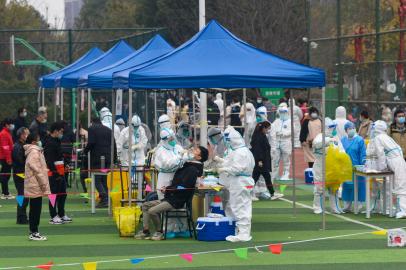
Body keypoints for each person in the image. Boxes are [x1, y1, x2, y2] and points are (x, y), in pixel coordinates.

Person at [135, 146, 208, 240]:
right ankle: (146, 231)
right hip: (171, 197)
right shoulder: (187, 166)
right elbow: (179, 185)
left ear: (199, 157)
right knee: (145, 205)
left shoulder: (192, 170)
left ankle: (159, 232)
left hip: (176, 201)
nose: (192, 150)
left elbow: (183, 187)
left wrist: (168, 189)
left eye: (195, 150)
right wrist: (168, 189)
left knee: (152, 211)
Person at [216, 126, 255, 242]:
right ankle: (243, 231)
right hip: (245, 181)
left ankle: (243, 234)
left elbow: (236, 168)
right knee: (245, 206)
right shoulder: (244, 150)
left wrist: (224, 169)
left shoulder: (239, 152)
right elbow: (232, 162)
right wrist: (223, 163)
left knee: (239, 207)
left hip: (239, 182)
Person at [367, 120, 406, 218]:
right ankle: (400, 209)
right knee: (400, 184)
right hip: (399, 160)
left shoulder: (378, 138)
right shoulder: (386, 137)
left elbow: (381, 154)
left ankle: (403, 210)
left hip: (394, 161)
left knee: (399, 185)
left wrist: (383, 167)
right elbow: (399, 148)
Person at [312, 117, 344, 214]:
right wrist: (326, 141)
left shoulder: (336, 138)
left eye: (334, 127)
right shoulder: (320, 137)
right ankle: (317, 207)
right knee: (319, 187)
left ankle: (335, 207)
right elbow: (316, 144)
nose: (333, 129)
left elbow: (342, 150)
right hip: (320, 166)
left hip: (332, 167)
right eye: (331, 127)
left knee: (334, 188)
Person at [84, 117, 116, 208]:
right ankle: (105, 199)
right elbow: (114, 145)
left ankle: (104, 198)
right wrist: (115, 159)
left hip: (97, 158)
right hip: (108, 158)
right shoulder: (109, 130)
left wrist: (85, 151)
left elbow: (91, 142)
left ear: (92, 122)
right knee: (104, 179)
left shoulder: (92, 129)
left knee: (97, 179)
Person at [24, 132, 51, 241]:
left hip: (35, 184)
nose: (40, 141)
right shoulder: (34, 152)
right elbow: (37, 170)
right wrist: (44, 183)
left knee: (35, 209)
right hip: (36, 184)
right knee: (35, 210)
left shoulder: (34, 151)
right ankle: (34, 232)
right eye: (38, 139)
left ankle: (34, 231)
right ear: (34, 141)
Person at [44, 121, 72, 225]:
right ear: (55, 131)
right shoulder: (49, 142)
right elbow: (49, 160)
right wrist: (56, 173)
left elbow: (59, 157)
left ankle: (61, 213)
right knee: (53, 195)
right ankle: (53, 215)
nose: (62, 133)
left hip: (60, 171)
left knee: (62, 194)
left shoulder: (56, 141)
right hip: (53, 173)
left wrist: (65, 166)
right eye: (60, 131)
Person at [250, 121, 283, 201]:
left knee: (264, 177)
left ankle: (272, 193)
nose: (268, 130)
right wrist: (260, 160)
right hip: (260, 161)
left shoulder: (261, 135)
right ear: (263, 128)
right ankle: (249, 193)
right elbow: (258, 150)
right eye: (267, 129)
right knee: (255, 178)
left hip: (262, 160)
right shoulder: (259, 137)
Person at [341, 122, 366, 212]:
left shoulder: (359, 140)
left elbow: (363, 153)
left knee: (359, 186)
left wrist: (362, 164)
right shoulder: (343, 140)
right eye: (349, 128)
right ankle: (347, 206)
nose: (351, 129)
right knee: (347, 186)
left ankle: (358, 205)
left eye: (353, 127)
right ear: (346, 130)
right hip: (346, 168)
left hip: (357, 167)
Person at [153, 128, 183, 200]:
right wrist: (180, 156)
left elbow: (184, 158)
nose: (173, 140)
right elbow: (168, 164)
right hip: (165, 181)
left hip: (177, 178)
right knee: (164, 203)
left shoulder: (177, 148)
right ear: (165, 140)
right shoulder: (160, 151)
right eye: (171, 139)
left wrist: (188, 155)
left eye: (173, 138)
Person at [12, 127, 30, 224]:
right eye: (26, 134)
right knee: (22, 196)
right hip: (20, 174)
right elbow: (20, 161)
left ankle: (21, 217)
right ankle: (21, 218)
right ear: (22, 135)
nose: (28, 135)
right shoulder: (18, 146)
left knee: (23, 196)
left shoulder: (22, 145)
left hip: (22, 173)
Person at [271, 103, 292, 180]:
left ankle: (286, 174)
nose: (282, 114)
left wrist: (283, 133)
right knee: (275, 159)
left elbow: (291, 131)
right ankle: (274, 174)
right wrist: (275, 132)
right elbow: (272, 128)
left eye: (284, 112)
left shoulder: (290, 121)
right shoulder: (277, 121)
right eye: (281, 112)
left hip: (285, 142)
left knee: (286, 159)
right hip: (277, 142)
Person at [0, 118, 15, 199]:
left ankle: (4, 192)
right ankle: (5, 193)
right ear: (6, 125)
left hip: (5, 157)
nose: (12, 126)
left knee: (5, 175)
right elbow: (5, 147)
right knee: (5, 175)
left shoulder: (7, 132)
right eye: (10, 124)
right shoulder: (4, 133)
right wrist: (8, 159)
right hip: (5, 157)